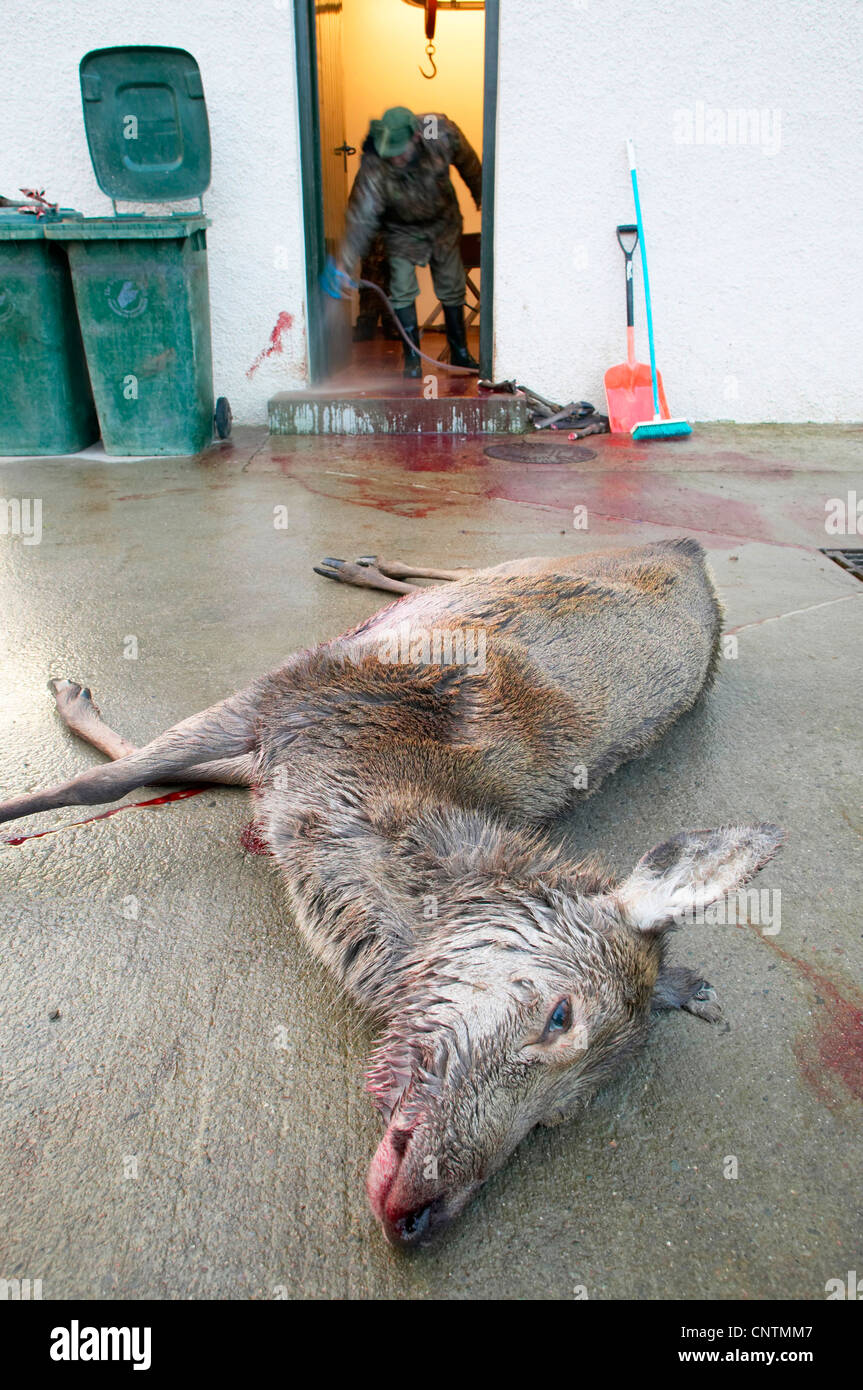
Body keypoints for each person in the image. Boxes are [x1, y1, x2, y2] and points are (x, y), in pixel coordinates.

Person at [333, 106, 482, 377]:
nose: (395, 158)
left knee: (451, 285)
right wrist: (345, 260)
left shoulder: (438, 132)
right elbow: (361, 215)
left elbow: (468, 162)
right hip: (400, 230)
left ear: (415, 136)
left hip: (442, 224)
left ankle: (460, 353)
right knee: (401, 287)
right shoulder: (375, 161)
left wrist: (482, 194)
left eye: (399, 151)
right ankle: (412, 358)